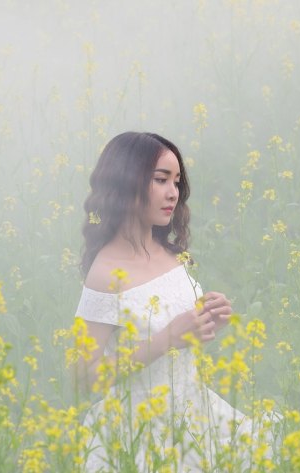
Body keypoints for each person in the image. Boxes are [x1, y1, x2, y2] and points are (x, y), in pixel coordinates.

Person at [74, 132, 276, 472]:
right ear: (127, 183)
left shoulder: (168, 252)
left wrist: (210, 318)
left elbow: (181, 336)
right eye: (160, 180)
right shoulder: (105, 272)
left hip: (197, 415)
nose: (173, 193)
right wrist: (167, 339)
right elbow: (84, 377)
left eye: (177, 181)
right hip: (140, 433)